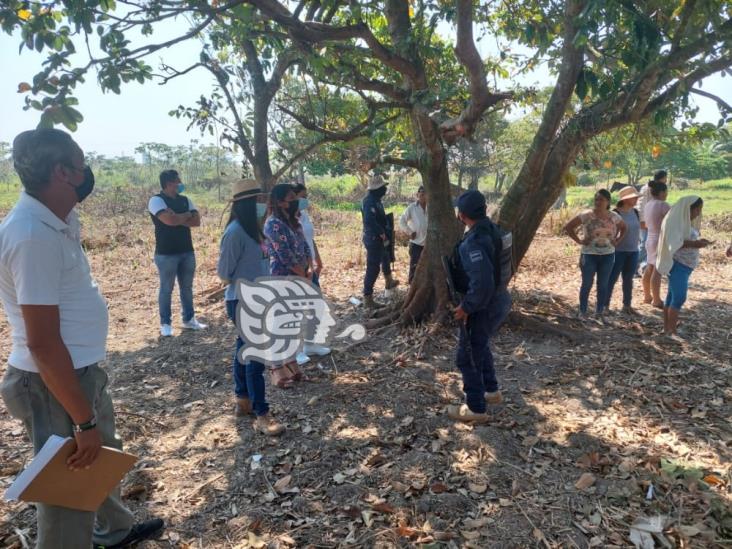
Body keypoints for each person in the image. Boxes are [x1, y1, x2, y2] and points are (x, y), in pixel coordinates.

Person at [0, 129, 164, 548]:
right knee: (66, 497)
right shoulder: (32, 236)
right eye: (80, 164)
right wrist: (82, 419)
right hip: (53, 382)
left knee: (100, 456)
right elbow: (42, 343)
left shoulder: (57, 221)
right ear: (62, 173)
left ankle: (114, 531)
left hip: (78, 375)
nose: (87, 172)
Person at [217, 179, 284, 435]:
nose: (262, 205)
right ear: (246, 204)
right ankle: (262, 413)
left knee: (243, 349)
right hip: (243, 300)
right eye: (257, 201)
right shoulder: (235, 233)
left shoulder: (256, 230)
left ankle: (242, 399)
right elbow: (224, 272)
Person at [446, 190, 512, 423]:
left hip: (485, 304)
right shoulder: (495, 230)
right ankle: (491, 391)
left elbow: (482, 283)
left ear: (462, 215)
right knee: (480, 345)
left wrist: (466, 307)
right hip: (500, 299)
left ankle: (475, 408)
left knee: (467, 355)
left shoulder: (473, 242)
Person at [263, 183, 312, 387]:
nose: (296, 202)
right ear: (281, 201)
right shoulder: (273, 224)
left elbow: (305, 247)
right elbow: (284, 255)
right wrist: (302, 274)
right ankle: (275, 367)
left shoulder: (294, 222)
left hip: (299, 278)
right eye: (292, 198)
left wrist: (308, 269)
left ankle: (290, 361)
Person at [148, 169, 206, 336]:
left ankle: (189, 319)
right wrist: (184, 217)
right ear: (168, 183)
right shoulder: (156, 201)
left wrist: (179, 217)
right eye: (177, 180)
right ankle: (165, 323)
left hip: (187, 250)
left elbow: (196, 222)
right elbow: (169, 220)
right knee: (167, 288)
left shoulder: (185, 200)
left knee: (186, 287)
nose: (180, 183)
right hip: (166, 253)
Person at [564, 189, 626, 318]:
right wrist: (579, 240)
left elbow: (625, 228)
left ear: (608, 201)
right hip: (589, 254)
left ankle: (599, 311)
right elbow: (568, 227)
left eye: (601, 199)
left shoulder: (614, 216)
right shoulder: (586, 215)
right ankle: (582, 311)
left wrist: (618, 240)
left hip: (608, 255)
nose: (598, 202)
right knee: (587, 283)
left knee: (603, 284)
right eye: (596, 199)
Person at [656, 196, 712, 337]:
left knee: (672, 296)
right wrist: (695, 244)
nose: (698, 213)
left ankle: (667, 328)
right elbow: (675, 242)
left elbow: (686, 239)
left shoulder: (686, 222)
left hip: (685, 266)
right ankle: (671, 330)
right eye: (697, 209)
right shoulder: (675, 222)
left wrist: (698, 242)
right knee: (679, 297)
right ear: (688, 209)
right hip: (678, 264)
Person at [293, 182, 331, 361]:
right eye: (302, 196)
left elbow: (310, 239)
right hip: (295, 269)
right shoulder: (285, 219)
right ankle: (295, 350)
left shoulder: (305, 215)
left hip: (309, 266)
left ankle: (310, 344)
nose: (305, 200)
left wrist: (318, 259)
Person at [361, 172, 399, 309]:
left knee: (386, 257)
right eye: (382, 187)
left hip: (379, 238)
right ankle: (367, 298)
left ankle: (389, 281)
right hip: (373, 238)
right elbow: (369, 220)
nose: (385, 190)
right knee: (373, 268)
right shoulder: (369, 201)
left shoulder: (377, 201)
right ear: (376, 189)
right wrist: (381, 232)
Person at [606, 186, 641, 314]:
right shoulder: (615, 213)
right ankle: (605, 305)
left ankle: (627, 305)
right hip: (618, 251)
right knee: (612, 278)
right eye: (634, 197)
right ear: (626, 199)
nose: (636, 199)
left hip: (633, 251)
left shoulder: (636, 212)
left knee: (628, 279)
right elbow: (608, 231)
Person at [642, 180, 671, 308]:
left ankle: (647, 296)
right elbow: (673, 219)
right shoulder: (663, 205)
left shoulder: (648, 204)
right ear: (661, 192)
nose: (666, 194)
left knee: (650, 267)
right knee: (657, 271)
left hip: (650, 238)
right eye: (666, 192)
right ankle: (657, 300)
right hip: (659, 239)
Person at [637, 170, 667, 273]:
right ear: (663, 178)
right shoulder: (648, 189)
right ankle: (633, 266)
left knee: (646, 246)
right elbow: (641, 205)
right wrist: (643, 221)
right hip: (645, 221)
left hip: (649, 221)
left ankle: (644, 267)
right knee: (644, 245)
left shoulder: (653, 188)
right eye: (665, 178)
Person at [399, 186, 428, 283]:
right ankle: (412, 286)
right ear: (417, 195)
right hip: (416, 243)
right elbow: (402, 221)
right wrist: (410, 232)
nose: (424, 196)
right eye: (422, 194)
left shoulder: (431, 208)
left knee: (427, 268)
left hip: (428, 244)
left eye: (426, 194)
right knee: (414, 267)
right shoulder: (412, 208)